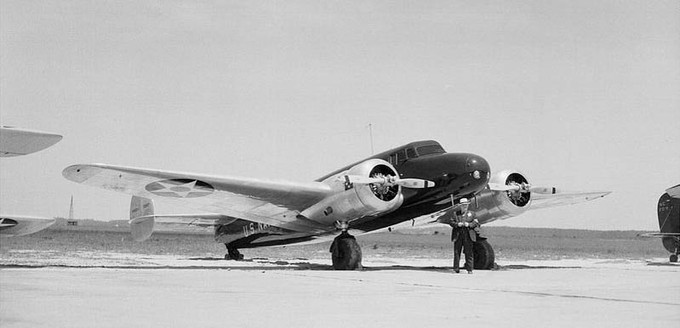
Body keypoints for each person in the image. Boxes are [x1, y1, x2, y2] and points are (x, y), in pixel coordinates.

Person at [447, 198, 480, 274]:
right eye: (463, 205)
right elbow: (451, 222)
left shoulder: (472, 214)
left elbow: (476, 223)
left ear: (468, 206)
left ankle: (470, 269)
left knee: (469, 252)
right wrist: (457, 224)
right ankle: (456, 269)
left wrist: (469, 224)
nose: (465, 207)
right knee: (457, 252)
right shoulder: (455, 214)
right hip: (458, 235)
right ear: (460, 206)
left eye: (466, 205)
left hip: (468, 235)